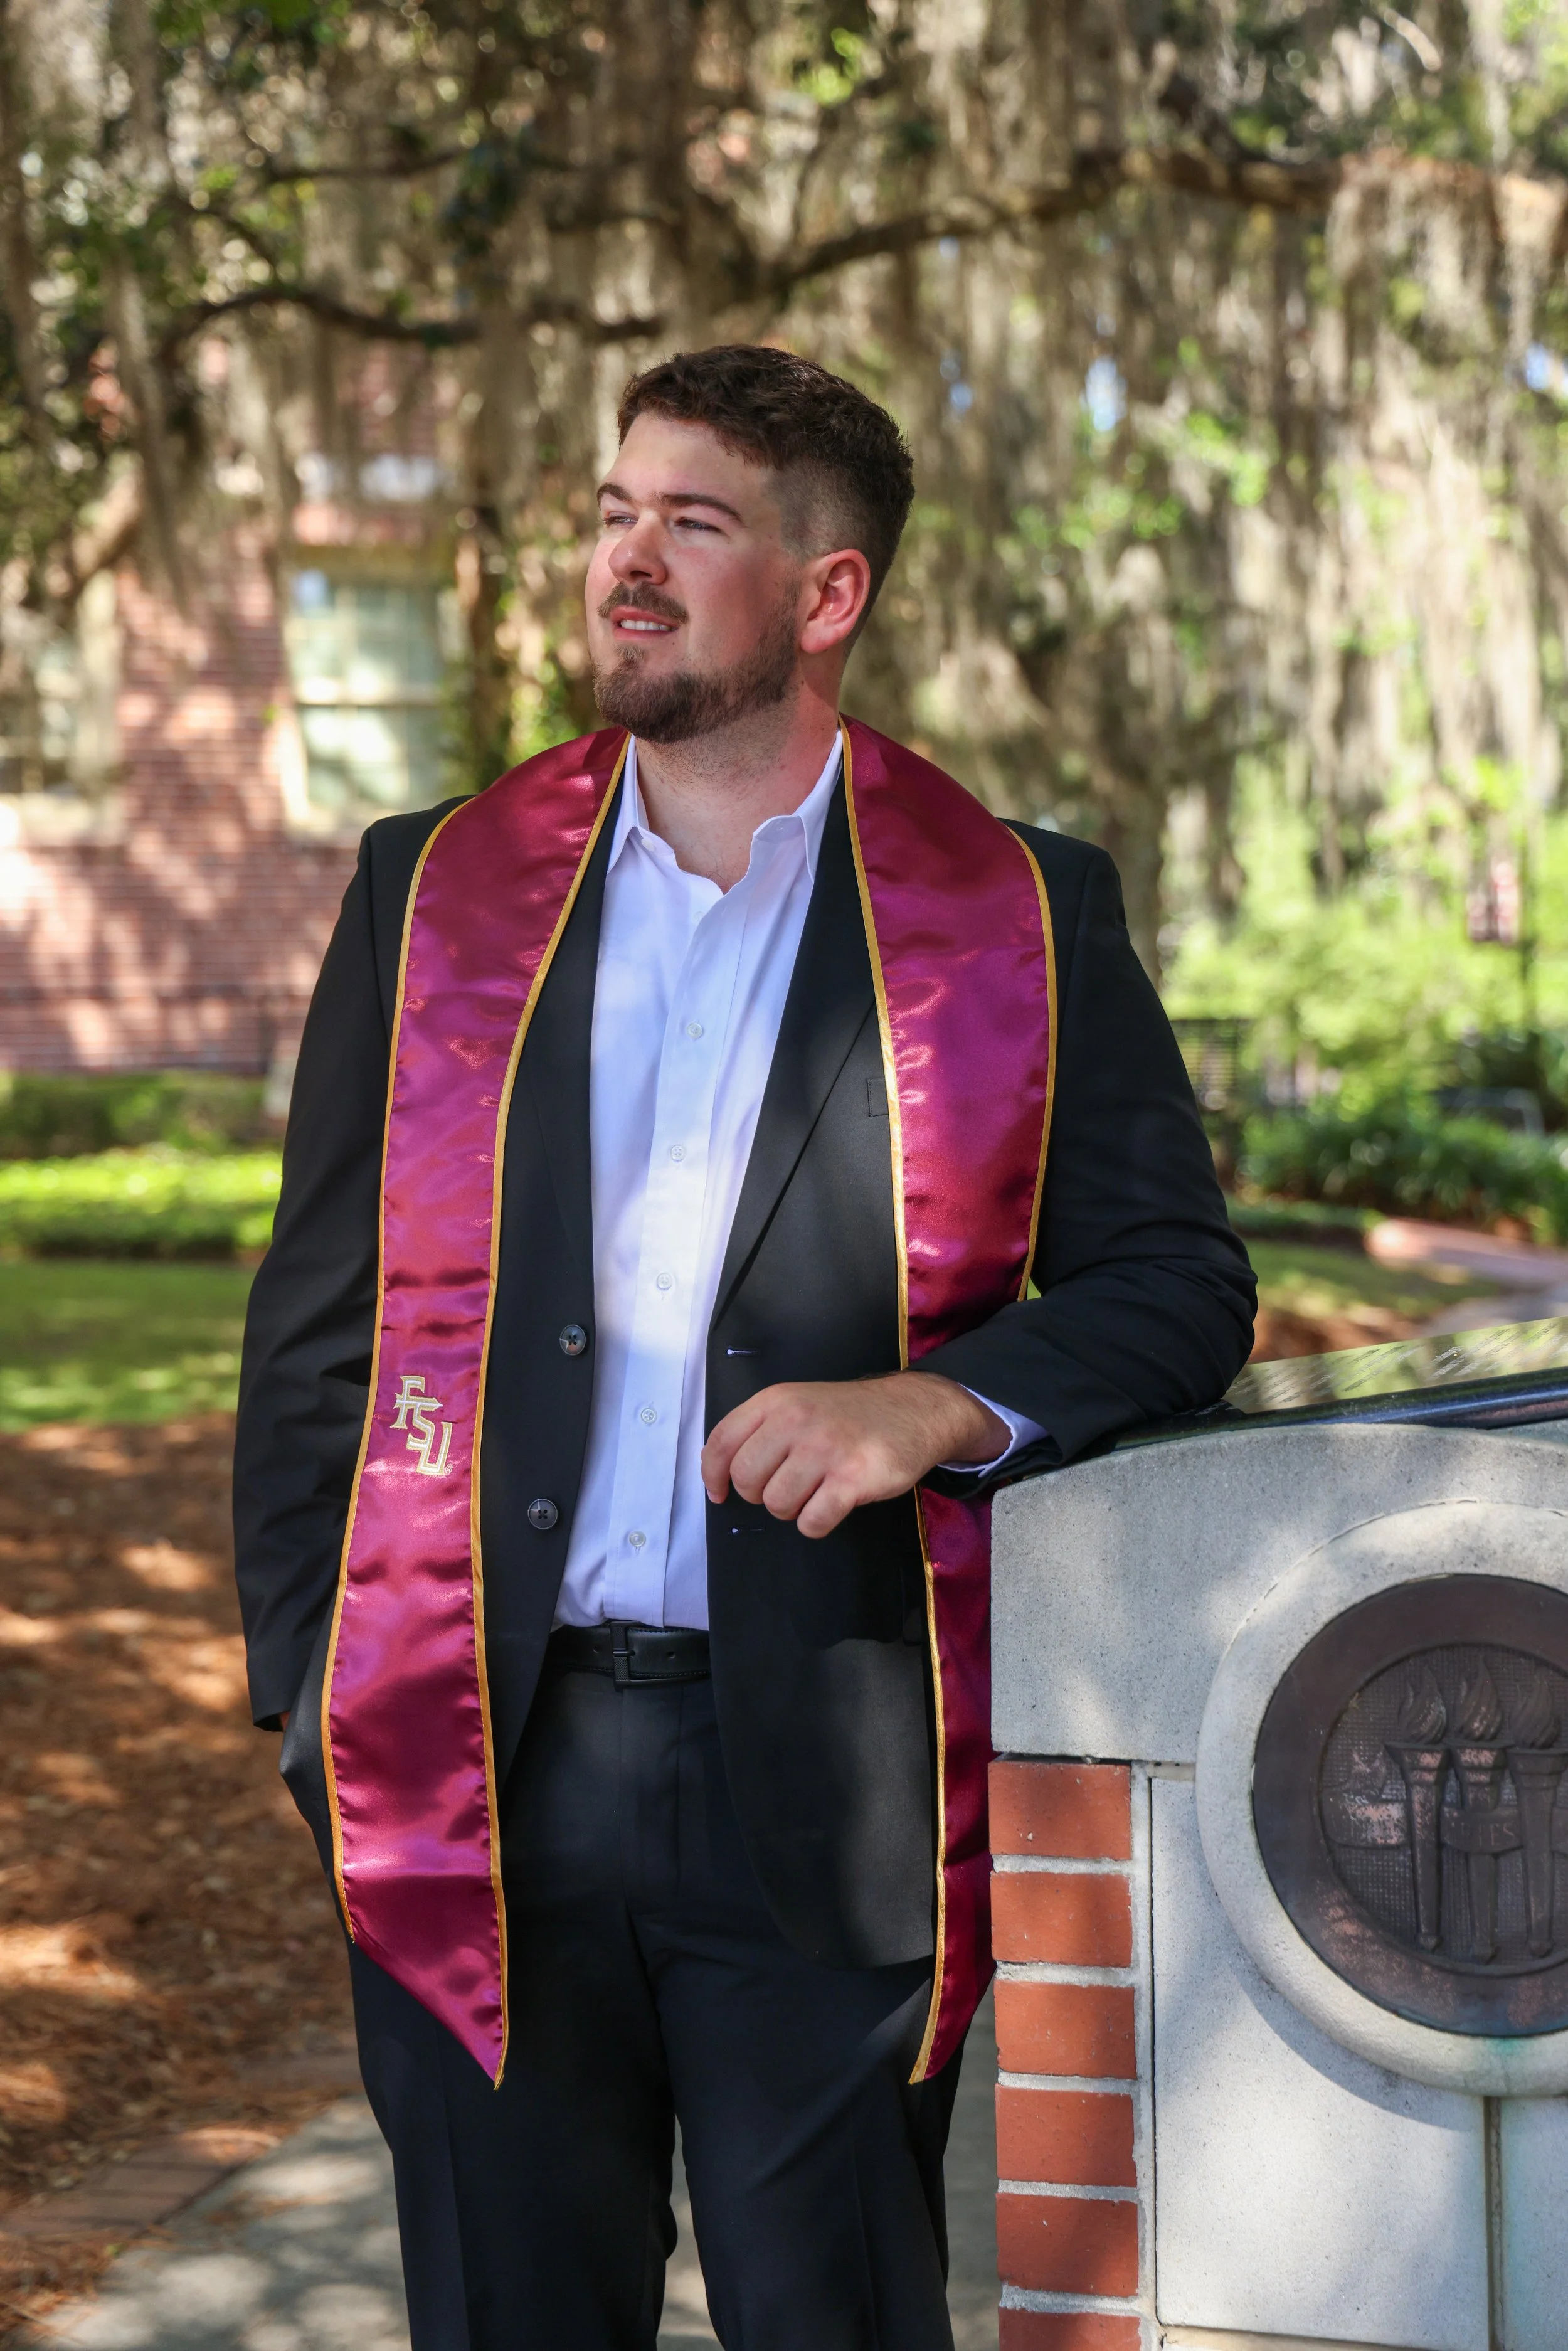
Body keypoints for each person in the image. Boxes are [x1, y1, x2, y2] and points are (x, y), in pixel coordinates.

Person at [233, 343, 1254, 2351]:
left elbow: (1177, 1283)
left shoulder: (1017, 913)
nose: (626, 559)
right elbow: (316, 1336)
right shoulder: (430, 894)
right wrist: (301, 1689)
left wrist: (933, 1403)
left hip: (830, 1770)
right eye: (614, 513)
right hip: (478, 1755)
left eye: (691, 524)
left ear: (826, 588)